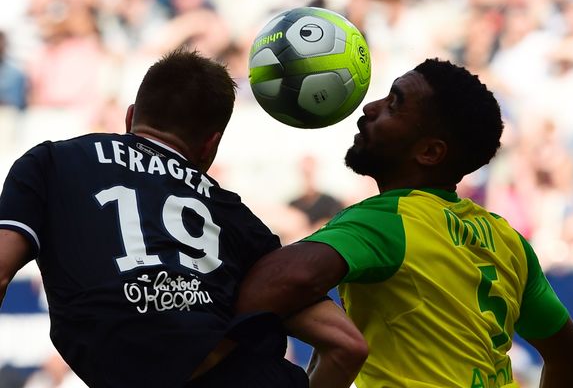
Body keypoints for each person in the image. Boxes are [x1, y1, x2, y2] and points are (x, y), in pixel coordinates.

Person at [0, 48, 366, 387]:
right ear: (211, 144)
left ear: (131, 116)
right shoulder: (234, 216)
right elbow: (346, 345)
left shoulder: (51, 163)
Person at [235, 58, 573, 387]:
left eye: (394, 105)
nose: (368, 109)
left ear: (430, 152)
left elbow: (277, 282)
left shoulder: (389, 219)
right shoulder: (507, 239)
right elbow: (572, 361)